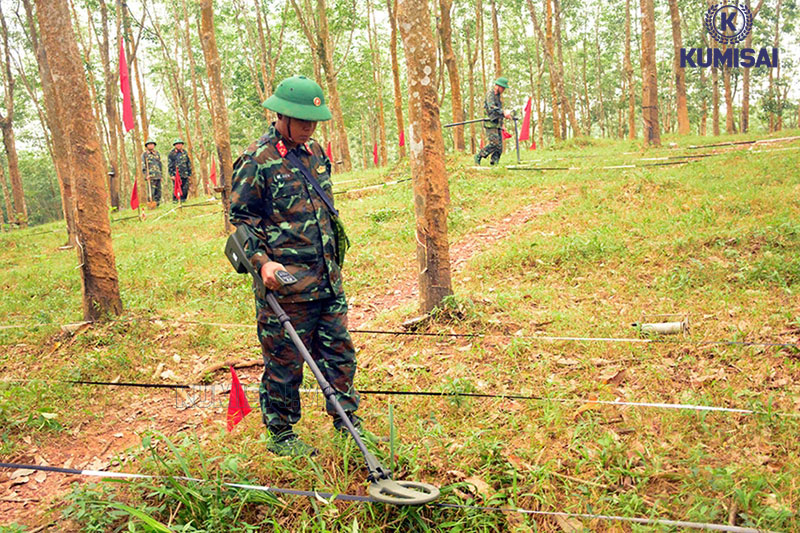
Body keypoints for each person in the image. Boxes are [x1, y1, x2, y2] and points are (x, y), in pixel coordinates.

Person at [229, 75, 361, 456]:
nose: (309, 128)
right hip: (285, 286)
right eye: (302, 120)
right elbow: (242, 220)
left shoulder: (316, 153)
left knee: (340, 354)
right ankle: (282, 434)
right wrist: (262, 263)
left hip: (327, 279)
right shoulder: (256, 159)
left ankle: (347, 422)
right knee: (284, 362)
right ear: (281, 116)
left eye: (314, 121)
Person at [474, 77, 512, 166]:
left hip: (497, 123)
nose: (503, 90)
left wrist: (502, 123)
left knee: (499, 147)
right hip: (490, 122)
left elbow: (499, 111)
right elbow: (491, 107)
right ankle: (479, 156)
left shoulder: (498, 97)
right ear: (497, 86)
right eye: (502, 88)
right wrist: (503, 112)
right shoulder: (490, 94)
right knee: (494, 143)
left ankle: (494, 163)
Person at [141, 139, 163, 206]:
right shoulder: (145, 154)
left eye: (152, 144)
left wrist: (161, 175)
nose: (151, 146)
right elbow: (143, 165)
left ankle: (157, 204)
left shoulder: (157, 153)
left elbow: (160, 164)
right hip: (150, 176)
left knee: (158, 191)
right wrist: (146, 175)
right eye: (149, 144)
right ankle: (151, 204)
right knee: (151, 191)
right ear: (147, 146)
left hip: (158, 175)